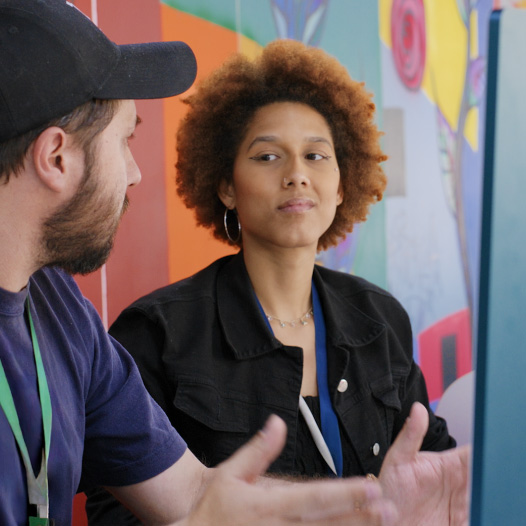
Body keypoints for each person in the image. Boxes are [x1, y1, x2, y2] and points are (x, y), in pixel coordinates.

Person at [0, 2, 408, 525]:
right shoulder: (157, 330)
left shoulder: (62, 310)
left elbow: (193, 495)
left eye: (316, 155)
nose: (135, 173)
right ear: (57, 158)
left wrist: (370, 506)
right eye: (125, 141)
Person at [86, 40, 468, 524]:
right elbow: (114, 511)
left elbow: (432, 469)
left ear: (342, 184)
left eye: (316, 155)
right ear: (227, 186)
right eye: (268, 157)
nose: (297, 175)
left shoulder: (379, 317)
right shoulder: (157, 333)